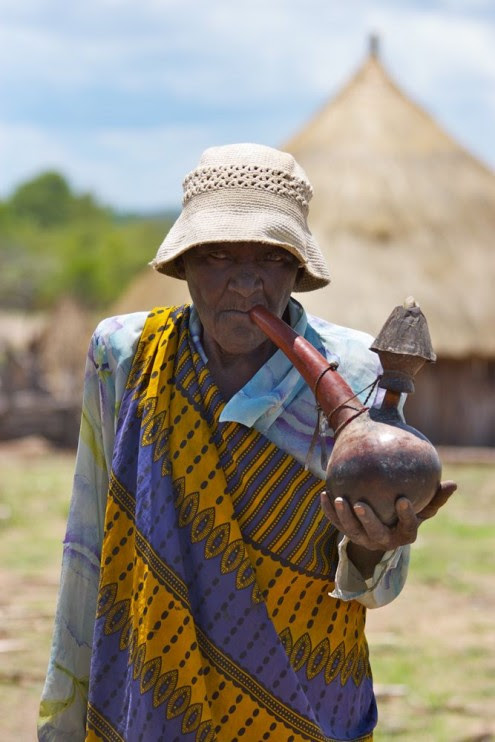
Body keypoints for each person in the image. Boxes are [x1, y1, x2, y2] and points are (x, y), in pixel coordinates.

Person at [38, 143, 456, 741]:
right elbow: (93, 537)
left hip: (305, 696)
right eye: (216, 256)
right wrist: (67, 715)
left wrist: (371, 548)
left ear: (296, 270)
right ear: (183, 266)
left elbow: (375, 586)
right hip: (156, 691)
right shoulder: (124, 355)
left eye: (269, 257)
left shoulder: (363, 374)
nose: (244, 279)